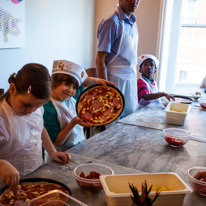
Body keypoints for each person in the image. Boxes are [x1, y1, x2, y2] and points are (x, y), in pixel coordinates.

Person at [0, 63, 70, 187]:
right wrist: (1, 164)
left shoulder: (35, 108)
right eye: (26, 105)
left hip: (35, 171)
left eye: (37, 106)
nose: (30, 111)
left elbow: (39, 128)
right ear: (12, 89)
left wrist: (52, 152)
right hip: (6, 182)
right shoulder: (2, 118)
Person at [43, 60, 115, 152]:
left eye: (74, 87)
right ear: (53, 81)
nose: (70, 90)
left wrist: (97, 81)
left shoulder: (74, 97)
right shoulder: (48, 108)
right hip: (61, 154)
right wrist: (73, 122)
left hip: (80, 147)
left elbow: (84, 83)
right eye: (66, 84)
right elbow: (57, 142)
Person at [96, 0, 140, 118]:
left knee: (130, 117)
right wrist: (105, 91)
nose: (134, 1)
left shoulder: (132, 22)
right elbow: (100, 59)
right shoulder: (111, 22)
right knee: (114, 118)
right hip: (115, 79)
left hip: (130, 77)